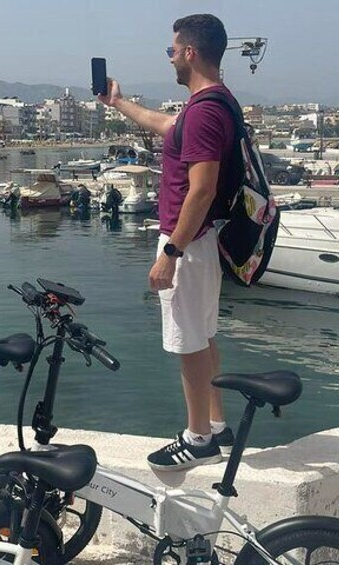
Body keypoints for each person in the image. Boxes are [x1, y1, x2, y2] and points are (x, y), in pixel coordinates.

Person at [98, 13, 240, 471]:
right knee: (204, 336)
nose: (170, 58)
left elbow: (202, 190)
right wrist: (118, 103)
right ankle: (217, 426)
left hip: (189, 242)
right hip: (201, 243)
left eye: (171, 50)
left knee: (188, 343)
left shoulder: (203, 113)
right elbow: (165, 126)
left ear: (190, 52)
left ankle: (197, 438)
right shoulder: (213, 103)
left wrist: (170, 255)